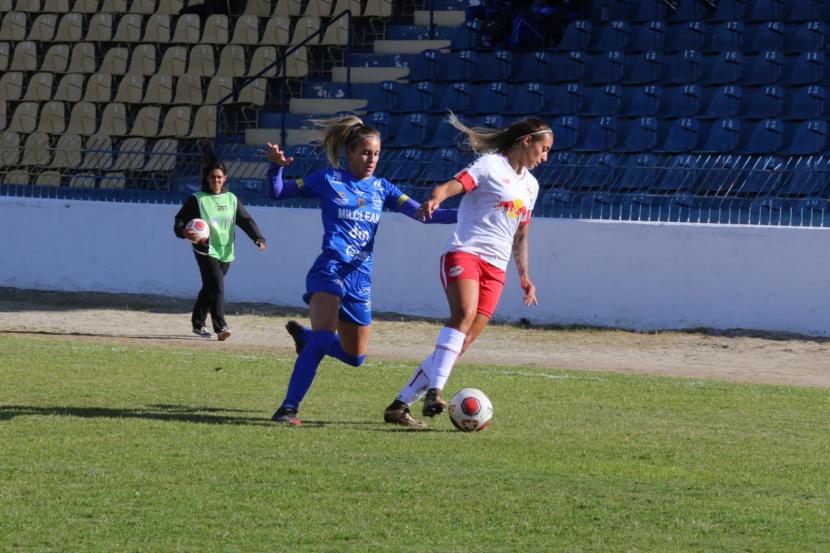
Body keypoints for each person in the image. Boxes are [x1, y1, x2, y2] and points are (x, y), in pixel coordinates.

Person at [264, 115, 457, 426]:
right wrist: (276, 166)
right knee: (325, 336)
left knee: (356, 357)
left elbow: (425, 215)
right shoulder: (328, 180)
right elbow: (277, 192)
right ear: (350, 153)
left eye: (377, 153)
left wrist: (472, 215)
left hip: (361, 277)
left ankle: (307, 336)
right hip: (330, 269)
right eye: (366, 152)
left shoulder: (383, 188)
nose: (372, 159)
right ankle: (287, 409)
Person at [383, 114, 552, 429]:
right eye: (543, 150)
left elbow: (521, 235)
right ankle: (436, 391)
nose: (545, 158)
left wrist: (525, 276)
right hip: (466, 252)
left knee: (461, 342)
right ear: (527, 141)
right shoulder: (490, 166)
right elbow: (453, 185)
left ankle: (400, 405)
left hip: (496, 268)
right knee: (463, 313)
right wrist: (436, 197)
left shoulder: (530, 185)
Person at [174, 154, 266, 341]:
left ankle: (198, 324)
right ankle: (221, 326)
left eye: (219, 177)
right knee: (217, 286)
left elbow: (245, 220)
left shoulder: (231, 199)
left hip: (226, 249)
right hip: (205, 249)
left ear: (225, 178)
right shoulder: (197, 199)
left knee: (210, 287)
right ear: (206, 179)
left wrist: (257, 237)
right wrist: (184, 232)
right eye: (212, 177)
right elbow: (179, 220)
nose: (216, 180)